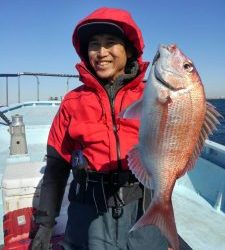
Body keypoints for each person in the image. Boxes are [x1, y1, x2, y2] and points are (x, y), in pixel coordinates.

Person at [31, 7, 170, 250]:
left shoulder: (154, 95)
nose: (101, 52)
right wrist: (45, 224)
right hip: (88, 213)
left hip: (144, 207)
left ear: (129, 50)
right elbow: (56, 167)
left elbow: (181, 132)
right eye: (94, 44)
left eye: (111, 43)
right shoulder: (72, 102)